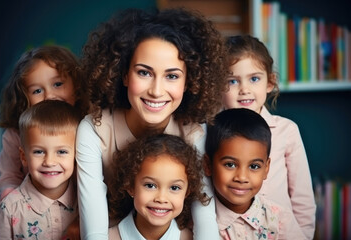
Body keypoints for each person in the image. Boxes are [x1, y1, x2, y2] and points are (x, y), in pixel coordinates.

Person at [77, 8, 226, 239]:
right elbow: (94, 230)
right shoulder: (94, 129)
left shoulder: (194, 130)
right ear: (124, 75)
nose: (156, 91)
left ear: (189, 82)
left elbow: (204, 215)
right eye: (144, 73)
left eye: (172, 76)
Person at [221, 35, 316, 239]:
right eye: (232, 81)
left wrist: (303, 235)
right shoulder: (212, 131)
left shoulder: (286, 130)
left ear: (269, 82)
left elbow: (302, 197)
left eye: (254, 79)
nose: (244, 89)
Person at [0, 100, 82, 239]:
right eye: (39, 152)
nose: (49, 162)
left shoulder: (85, 202)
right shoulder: (9, 209)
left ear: (76, 155)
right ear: (24, 157)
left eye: (61, 152)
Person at [0, 45, 87, 202]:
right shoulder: (16, 134)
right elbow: (9, 175)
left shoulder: (86, 127)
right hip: (30, 211)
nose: (49, 95)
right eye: (37, 91)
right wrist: (10, 200)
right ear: (24, 98)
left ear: (76, 86)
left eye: (58, 84)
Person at [204, 108, 306, 239]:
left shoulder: (280, 219)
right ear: (208, 165)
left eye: (254, 166)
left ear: (266, 168)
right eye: (230, 164)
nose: (242, 177)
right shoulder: (196, 220)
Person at [107, 134, 209, 240]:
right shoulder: (106, 237)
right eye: (150, 185)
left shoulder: (192, 238)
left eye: (174, 188)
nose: (161, 198)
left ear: (187, 192)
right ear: (130, 186)